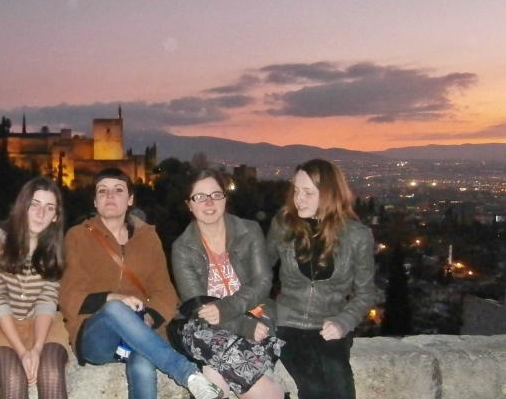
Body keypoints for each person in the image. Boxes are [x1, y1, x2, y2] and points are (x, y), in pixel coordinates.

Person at [59, 168, 223, 399]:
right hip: (96, 334)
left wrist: (150, 318)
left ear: (130, 199)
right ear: (95, 202)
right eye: (102, 191)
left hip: (141, 329)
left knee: (143, 364)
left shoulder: (147, 237)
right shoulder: (78, 236)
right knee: (115, 308)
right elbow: (69, 296)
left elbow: (164, 291)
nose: (110, 196)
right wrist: (112, 298)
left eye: (118, 190)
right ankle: (188, 375)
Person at [266, 159, 376, 399]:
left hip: (330, 324)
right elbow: (260, 273)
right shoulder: (283, 225)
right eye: (296, 190)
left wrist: (344, 322)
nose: (299, 199)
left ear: (329, 194)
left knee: (342, 390)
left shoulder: (357, 236)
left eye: (308, 192)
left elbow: (366, 292)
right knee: (313, 387)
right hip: (288, 324)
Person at [171, 168, 285, 399]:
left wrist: (226, 309)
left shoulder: (249, 230)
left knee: (214, 373)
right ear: (189, 204)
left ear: (225, 198)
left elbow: (263, 281)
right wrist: (242, 326)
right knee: (221, 376)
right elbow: (197, 305)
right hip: (210, 328)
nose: (209, 202)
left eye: (216, 194)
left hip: (256, 313)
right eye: (199, 197)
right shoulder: (182, 248)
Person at [0, 177, 70, 399]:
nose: (40, 213)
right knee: (13, 376)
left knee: (51, 371)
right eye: (34, 204)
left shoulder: (54, 250)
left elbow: (47, 300)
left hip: (42, 324)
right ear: (22, 206)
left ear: (55, 216)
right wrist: (23, 352)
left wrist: (37, 348)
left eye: (49, 208)